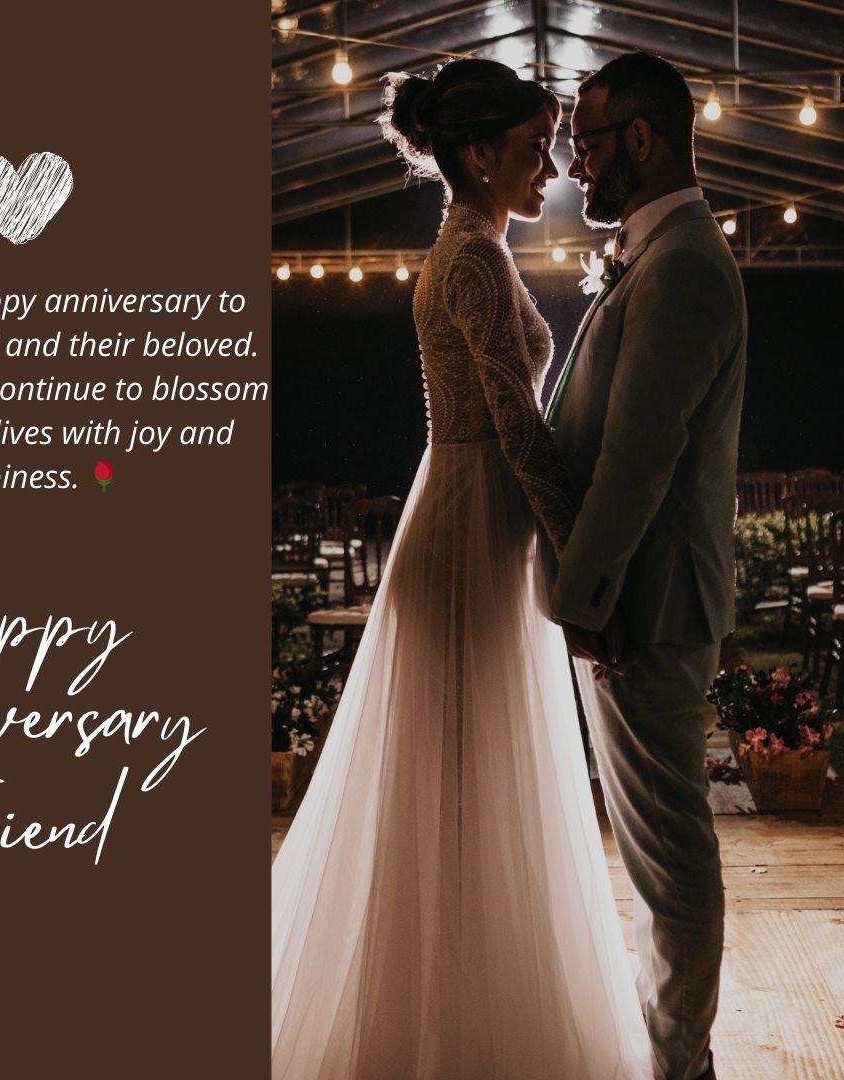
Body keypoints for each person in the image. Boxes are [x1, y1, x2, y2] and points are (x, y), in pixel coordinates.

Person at [272, 58, 653, 1080]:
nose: (552, 168)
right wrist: (587, 574)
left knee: (469, 783)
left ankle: (462, 1011)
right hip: (473, 528)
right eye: (534, 148)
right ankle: (450, 1032)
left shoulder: (476, 248)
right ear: (478, 152)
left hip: (472, 519)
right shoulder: (475, 261)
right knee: (462, 782)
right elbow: (520, 434)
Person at [545, 52, 747, 1080]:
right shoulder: (655, 256)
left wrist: (586, 600)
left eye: (587, 140)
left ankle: (683, 1064)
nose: (576, 164)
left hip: (647, 612)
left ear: (641, 137)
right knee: (657, 850)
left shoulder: (680, 269)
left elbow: (637, 460)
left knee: (671, 861)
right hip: (637, 604)